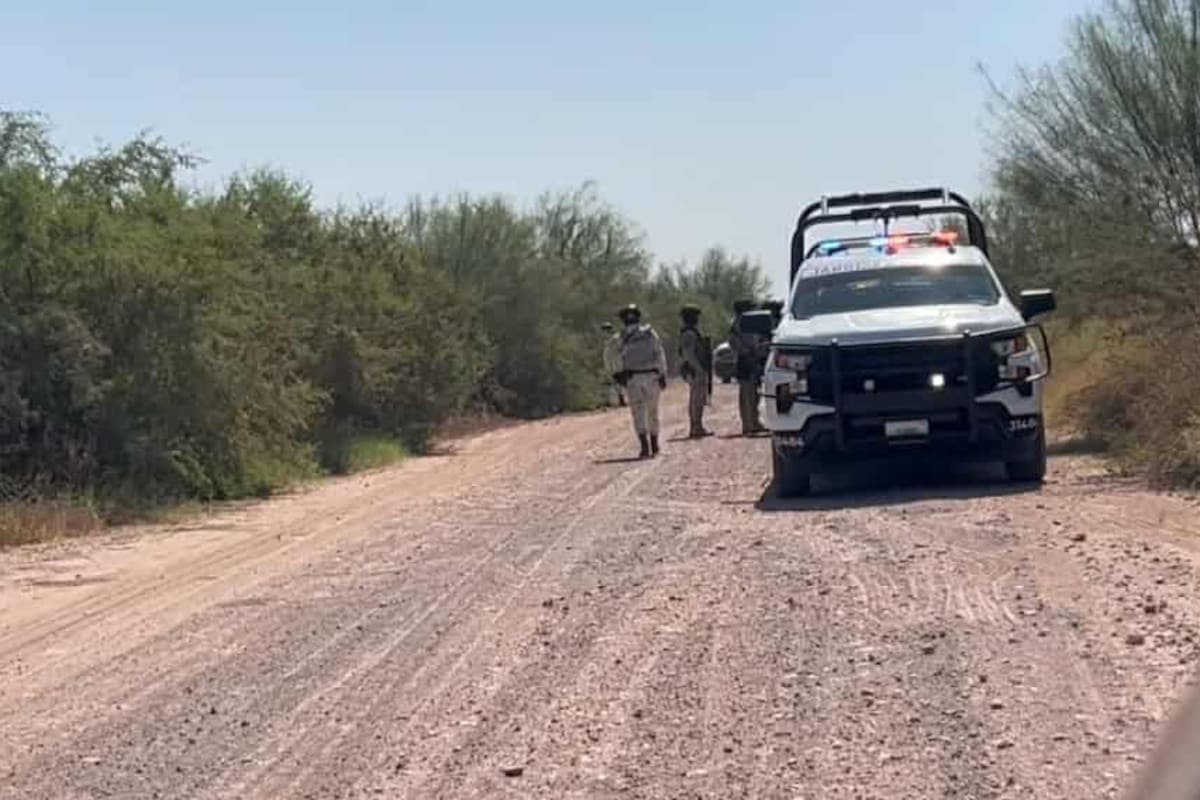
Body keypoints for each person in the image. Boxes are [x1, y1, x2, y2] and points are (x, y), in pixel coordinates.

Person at [611, 303, 668, 458]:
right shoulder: (650, 334)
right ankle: (654, 445)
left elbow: (616, 360)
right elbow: (659, 354)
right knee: (653, 411)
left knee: (638, 412)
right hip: (652, 377)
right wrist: (663, 374)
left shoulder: (619, 338)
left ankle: (644, 446)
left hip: (632, 378)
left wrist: (619, 377)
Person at [730, 299, 767, 436]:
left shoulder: (749, 323)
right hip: (745, 360)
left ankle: (754, 422)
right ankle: (748, 425)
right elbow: (734, 343)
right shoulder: (738, 323)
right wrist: (747, 352)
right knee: (747, 395)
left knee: (753, 395)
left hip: (752, 359)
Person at [678, 304, 712, 438]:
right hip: (694, 370)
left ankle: (697, 425)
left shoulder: (692, 332)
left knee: (698, 398)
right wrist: (698, 369)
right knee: (696, 399)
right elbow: (688, 354)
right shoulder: (689, 334)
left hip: (696, 369)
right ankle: (695, 426)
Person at [599, 322, 625, 407]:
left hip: (617, 364)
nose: (605, 332)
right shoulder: (606, 341)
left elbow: (621, 349)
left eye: (606, 329)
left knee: (618, 382)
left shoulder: (615, 339)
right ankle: (610, 401)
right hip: (609, 364)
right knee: (613, 383)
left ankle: (621, 399)